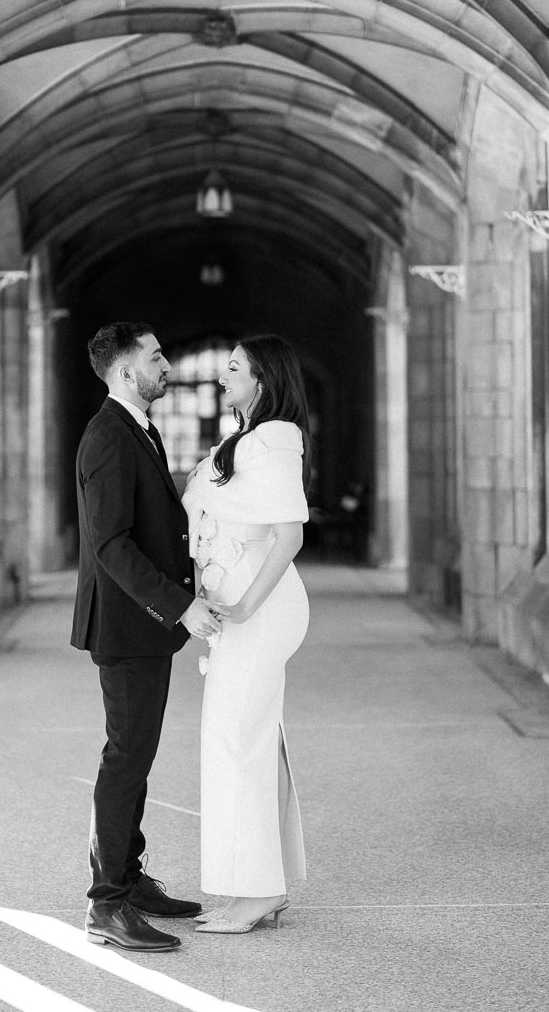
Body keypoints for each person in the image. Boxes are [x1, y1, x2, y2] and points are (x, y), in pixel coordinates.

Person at [71, 321, 223, 952]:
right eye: (156, 356)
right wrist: (179, 606)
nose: (166, 364)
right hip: (129, 624)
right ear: (125, 370)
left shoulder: (140, 428)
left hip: (142, 626)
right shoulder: (109, 435)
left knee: (135, 754)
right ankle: (106, 905)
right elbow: (110, 544)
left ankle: (129, 881)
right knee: (125, 757)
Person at [182, 334, 311, 934]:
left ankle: (255, 892)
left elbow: (289, 536)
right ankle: (261, 883)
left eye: (233, 369)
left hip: (258, 610)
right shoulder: (244, 440)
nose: (221, 376)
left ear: (263, 380)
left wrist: (243, 609)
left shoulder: (275, 438)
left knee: (238, 741)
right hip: (237, 606)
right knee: (241, 739)